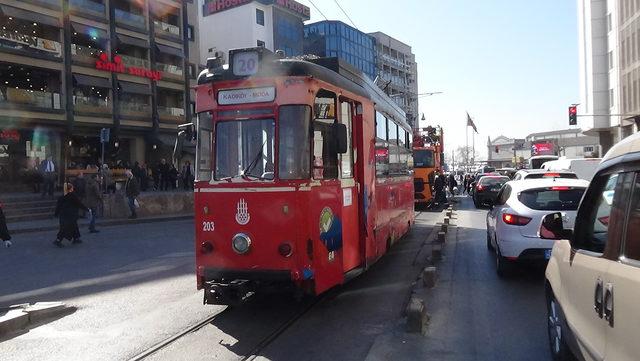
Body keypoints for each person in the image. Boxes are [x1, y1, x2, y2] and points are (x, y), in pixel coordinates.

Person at [53, 183, 88, 247]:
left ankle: (76, 238)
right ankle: (58, 240)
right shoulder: (72, 196)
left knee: (74, 226)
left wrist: (56, 214)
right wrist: (86, 209)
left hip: (64, 214)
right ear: (71, 188)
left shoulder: (62, 196)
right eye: (72, 187)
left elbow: (58, 206)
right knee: (65, 228)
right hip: (70, 214)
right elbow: (79, 203)